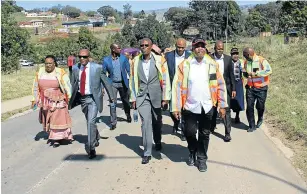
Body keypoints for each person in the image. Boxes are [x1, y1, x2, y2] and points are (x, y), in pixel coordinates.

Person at [171, 38, 227, 172]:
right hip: (189, 106)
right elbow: (177, 87)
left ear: (205, 48)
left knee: (205, 134)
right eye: (197, 46)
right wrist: (175, 107)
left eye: (202, 46)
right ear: (193, 49)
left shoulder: (212, 64)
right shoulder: (185, 65)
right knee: (189, 132)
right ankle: (192, 151)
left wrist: (222, 105)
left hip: (207, 105)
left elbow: (220, 85)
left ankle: (201, 159)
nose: (200, 49)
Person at [130, 38, 171, 164]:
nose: (143, 47)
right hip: (142, 96)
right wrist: (133, 98)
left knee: (156, 121)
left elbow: (165, 79)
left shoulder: (159, 60)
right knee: (145, 123)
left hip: (156, 95)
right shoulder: (135, 61)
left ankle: (157, 141)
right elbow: (132, 80)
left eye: (146, 45)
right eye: (141, 45)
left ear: (151, 46)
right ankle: (147, 152)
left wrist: (166, 97)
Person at [69, 49, 115, 159]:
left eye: (84, 57)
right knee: (90, 121)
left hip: (93, 98)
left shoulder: (97, 68)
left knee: (90, 122)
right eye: (80, 57)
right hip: (83, 99)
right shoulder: (75, 68)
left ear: (89, 57)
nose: (82, 59)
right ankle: (96, 135)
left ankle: (91, 148)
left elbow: (106, 83)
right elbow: (72, 83)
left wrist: (112, 97)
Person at [31, 55, 73, 148]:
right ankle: (53, 135)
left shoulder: (60, 72)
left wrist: (69, 98)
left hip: (57, 100)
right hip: (45, 101)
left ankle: (56, 138)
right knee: (48, 118)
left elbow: (67, 85)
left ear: (54, 63)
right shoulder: (40, 72)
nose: (48, 65)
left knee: (56, 119)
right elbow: (35, 87)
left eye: (50, 63)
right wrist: (34, 99)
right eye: (46, 63)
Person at [210, 40, 236, 142]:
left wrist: (233, 89)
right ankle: (211, 127)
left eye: (222, 49)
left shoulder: (228, 59)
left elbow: (231, 75)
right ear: (214, 48)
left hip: (225, 89)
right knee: (212, 110)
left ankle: (227, 133)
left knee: (226, 110)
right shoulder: (209, 58)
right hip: (212, 88)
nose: (220, 51)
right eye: (218, 49)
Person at [165, 38, 191, 141]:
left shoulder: (190, 56)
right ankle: (176, 123)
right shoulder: (168, 56)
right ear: (175, 46)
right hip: (172, 86)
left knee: (184, 110)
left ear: (185, 47)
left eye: (182, 47)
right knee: (172, 110)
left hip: (185, 87)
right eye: (178, 47)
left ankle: (184, 132)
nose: (180, 49)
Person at [242, 47, 272, 132]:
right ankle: (252, 126)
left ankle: (260, 117)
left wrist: (256, 73)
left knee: (260, 106)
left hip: (261, 88)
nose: (244, 58)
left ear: (249, 54)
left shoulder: (261, 60)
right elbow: (244, 71)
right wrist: (245, 74)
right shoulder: (246, 62)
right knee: (249, 107)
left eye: (245, 56)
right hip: (250, 88)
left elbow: (269, 70)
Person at [102, 43, 131, 130]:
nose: (120, 49)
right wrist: (102, 87)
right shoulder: (106, 60)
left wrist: (132, 83)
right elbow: (102, 74)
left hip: (123, 83)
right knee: (112, 103)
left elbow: (129, 70)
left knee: (125, 101)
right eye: (118, 48)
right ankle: (113, 122)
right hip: (112, 84)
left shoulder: (123, 58)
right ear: (113, 49)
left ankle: (128, 114)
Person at [230, 48, 245, 123]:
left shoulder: (241, 62)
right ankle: (227, 116)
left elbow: (245, 71)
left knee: (238, 100)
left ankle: (237, 116)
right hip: (230, 83)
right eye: (233, 54)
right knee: (230, 99)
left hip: (238, 83)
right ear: (231, 55)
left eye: (236, 54)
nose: (235, 56)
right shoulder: (228, 62)